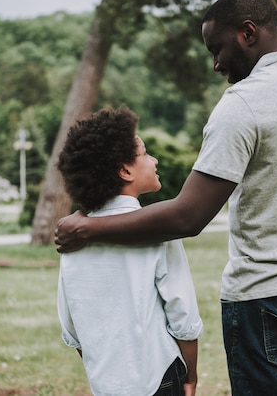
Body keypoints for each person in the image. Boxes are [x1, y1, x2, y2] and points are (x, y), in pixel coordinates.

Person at [55, 0, 277, 396]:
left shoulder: (243, 104)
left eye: (216, 49)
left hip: (267, 300)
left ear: (247, 32)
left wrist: (88, 230)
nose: (216, 64)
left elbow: (188, 217)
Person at [55, 107, 203, 396]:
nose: (154, 160)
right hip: (159, 377)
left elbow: (72, 328)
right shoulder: (158, 230)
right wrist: (191, 375)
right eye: (146, 154)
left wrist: (109, 376)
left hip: (106, 385)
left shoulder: (72, 239)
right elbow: (183, 316)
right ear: (125, 170)